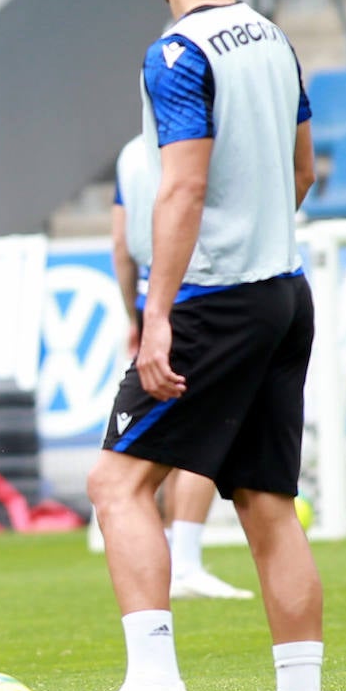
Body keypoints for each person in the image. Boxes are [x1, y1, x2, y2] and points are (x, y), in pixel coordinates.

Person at [51, 0, 332, 691]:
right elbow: (304, 171)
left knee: (115, 483)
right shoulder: (275, 40)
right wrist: (262, 239)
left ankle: (155, 685)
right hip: (283, 291)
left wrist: (158, 315)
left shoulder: (176, 53)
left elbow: (181, 184)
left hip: (216, 300)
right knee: (265, 503)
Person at [112, 134, 253, 601]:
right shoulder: (192, 145)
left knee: (160, 444)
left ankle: (173, 560)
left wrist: (134, 317)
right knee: (203, 434)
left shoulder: (129, 153)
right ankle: (184, 562)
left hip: (150, 301)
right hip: (193, 296)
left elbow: (121, 242)